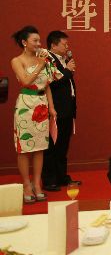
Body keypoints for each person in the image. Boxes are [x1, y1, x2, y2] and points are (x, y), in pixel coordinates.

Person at [10, 26, 62, 203]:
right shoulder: (17, 61)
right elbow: (25, 81)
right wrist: (40, 64)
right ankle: (26, 185)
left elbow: (47, 85)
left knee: (40, 147)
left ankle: (37, 184)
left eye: (39, 41)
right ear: (24, 42)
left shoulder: (43, 59)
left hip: (42, 105)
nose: (39, 44)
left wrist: (52, 107)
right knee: (24, 148)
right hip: (26, 105)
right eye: (35, 41)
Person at [42, 31, 79, 191]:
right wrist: (68, 70)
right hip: (56, 109)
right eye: (64, 44)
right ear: (53, 45)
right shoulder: (47, 59)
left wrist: (67, 69)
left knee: (63, 145)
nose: (67, 47)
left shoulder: (63, 60)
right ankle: (50, 180)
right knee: (52, 146)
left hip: (67, 109)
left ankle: (62, 176)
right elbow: (52, 82)